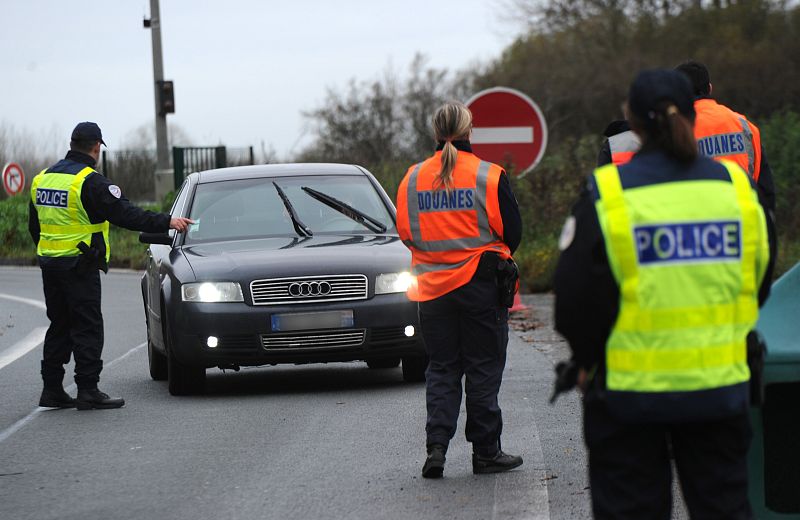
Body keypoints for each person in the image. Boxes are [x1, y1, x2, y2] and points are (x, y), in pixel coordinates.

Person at [554, 69, 774, 519]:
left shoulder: (608, 193)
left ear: (631, 122)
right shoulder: (736, 189)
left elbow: (575, 301)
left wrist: (588, 361)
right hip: (720, 392)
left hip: (629, 398)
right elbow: (760, 280)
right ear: (695, 115)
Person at [396, 102, 523, 478]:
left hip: (432, 289)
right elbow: (512, 233)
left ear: (435, 134)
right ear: (471, 132)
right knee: (482, 367)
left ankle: (436, 447)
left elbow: (406, 233)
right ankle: (485, 452)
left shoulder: (413, 178)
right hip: (481, 286)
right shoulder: (489, 175)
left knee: (442, 368)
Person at [29, 122, 192, 410]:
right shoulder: (89, 181)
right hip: (79, 265)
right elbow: (126, 214)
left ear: (72, 143)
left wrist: (49, 253)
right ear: (96, 148)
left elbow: (35, 226)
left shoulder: (42, 178)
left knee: (60, 324)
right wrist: (166, 221)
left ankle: (52, 388)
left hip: (50, 264)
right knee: (87, 326)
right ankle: (88, 389)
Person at [676, 60, 776, 212]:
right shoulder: (745, 126)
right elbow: (766, 192)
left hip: (700, 224)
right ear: (709, 89)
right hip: (744, 220)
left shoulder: (676, 129)